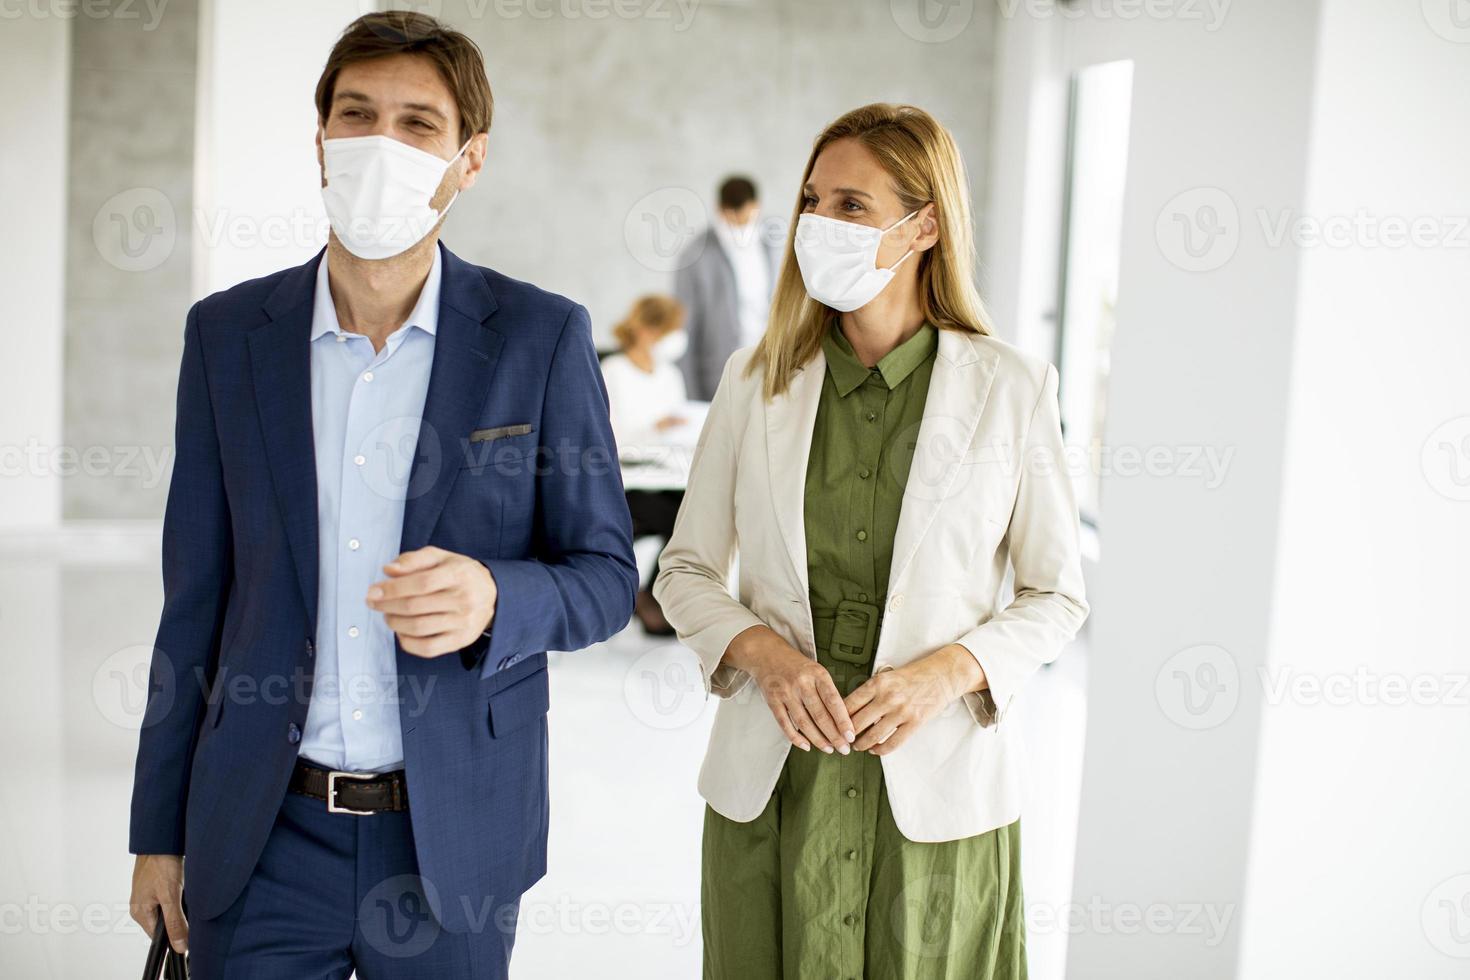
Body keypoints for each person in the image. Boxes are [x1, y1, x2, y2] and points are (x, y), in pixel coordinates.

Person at [125, 13, 638, 979]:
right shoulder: (229, 337)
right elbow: (192, 601)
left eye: (417, 126)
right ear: (320, 139)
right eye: (356, 117)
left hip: (454, 840)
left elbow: (608, 576)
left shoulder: (540, 337)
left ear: (469, 159)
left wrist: (496, 598)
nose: (379, 147)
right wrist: (157, 830)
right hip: (259, 838)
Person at [653, 103, 1089, 978]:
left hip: (938, 795)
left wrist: (948, 673)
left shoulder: (1012, 389)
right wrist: (763, 654)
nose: (818, 224)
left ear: (924, 224)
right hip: (773, 787)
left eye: (851, 205)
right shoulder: (754, 379)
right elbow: (686, 569)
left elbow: (1057, 596)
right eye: (812, 201)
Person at [599, 295, 693, 636]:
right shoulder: (614, 371)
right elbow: (608, 436)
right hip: (627, 480)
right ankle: (649, 598)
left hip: (668, 475)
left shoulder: (669, 373)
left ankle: (654, 593)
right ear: (649, 330)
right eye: (671, 330)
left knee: (697, 514)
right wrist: (655, 428)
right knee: (679, 518)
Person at [674, 175, 780, 401]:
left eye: (745, 218)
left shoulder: (774, 245)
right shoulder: (695, 256)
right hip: (718, 376)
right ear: (720, 210)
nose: (738, 226)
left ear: (756, 207)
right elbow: (684, 328)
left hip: (771, 370)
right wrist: (690, 396)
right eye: (732, 219)